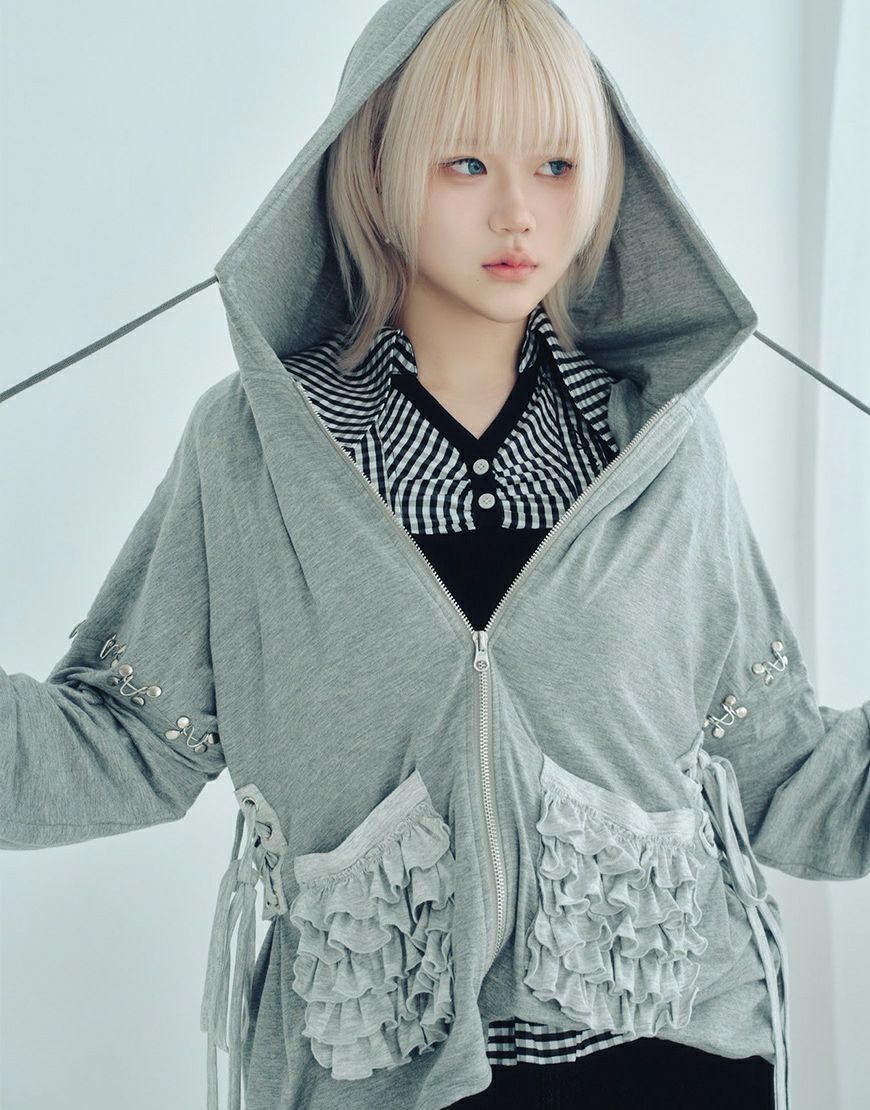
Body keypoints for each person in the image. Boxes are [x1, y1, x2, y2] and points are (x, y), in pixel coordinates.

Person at [3, 2, 868, 1109]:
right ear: (376, 173)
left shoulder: (654, 448)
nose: (519, 212)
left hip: (672, 1063)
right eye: (467, 164)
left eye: (557, 164)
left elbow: (785, 772)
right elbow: (128, 739)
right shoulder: (260, 449)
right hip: (381, 1080)